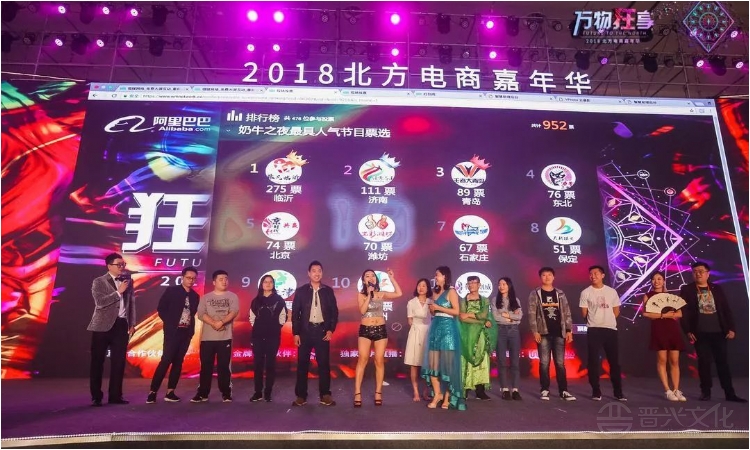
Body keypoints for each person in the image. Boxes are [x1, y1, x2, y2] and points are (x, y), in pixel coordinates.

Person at [679, 262, 746, 402]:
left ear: (708, 274)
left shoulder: (716, 288)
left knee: (723, 363)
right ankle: (705, 392)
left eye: (701, 271)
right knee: (704, 363)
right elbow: (683, 312)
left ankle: (729, 393)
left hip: (719, 332)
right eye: (695, 271)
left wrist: (731, 328)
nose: (698, 273)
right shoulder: (687, 290)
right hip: (700, 332)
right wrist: (687, 330)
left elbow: (726, 309)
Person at [87, 252, 136, 406]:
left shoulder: (128, 281)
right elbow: (100, 302)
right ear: (109, 266)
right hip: (102, 325)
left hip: (121, 325)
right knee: (97, 361)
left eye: (123, 264)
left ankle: (115, 396)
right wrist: (118, 292)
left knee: (119, 362)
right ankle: (96, 396)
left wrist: (132, 323)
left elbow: (131, 303)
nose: (122, 267)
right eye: (118, 264)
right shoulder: (99, 281)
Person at [147, 267, 200, 404]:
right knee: (166, 360)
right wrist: (170, 323)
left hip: (186, 333)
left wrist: (190, 331)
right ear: (182, 277)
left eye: (193, 278)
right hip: (172, 332)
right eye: (188, 277)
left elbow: (192, 314)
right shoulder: (172, 291)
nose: (191, 280)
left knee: (178, 362)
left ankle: (170, 392)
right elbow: (161, 308)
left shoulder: (195, 296)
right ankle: (153, 392)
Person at [291, 260, 339, 407]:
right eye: (314, 271)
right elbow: (295, 314)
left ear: (322, 273)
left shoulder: (328, 291)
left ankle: (325, 395)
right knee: (302, 364)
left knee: (323, 364)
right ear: (309, 273)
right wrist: (296, 333)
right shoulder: (301, 291)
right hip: (305, 331)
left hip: (322, 331)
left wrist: (331, 329)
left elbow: (334, 312)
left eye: (319, 271)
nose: (316, 273)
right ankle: (301, 396)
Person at [353, 268, 403, 407]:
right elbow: (362, 310)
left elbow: (399, 293)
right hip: (365, 329)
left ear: (376, 279)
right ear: (364, 280)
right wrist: (369, 295)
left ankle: (378, 392)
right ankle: (357, 392)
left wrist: (392, 278)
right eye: (367, 276)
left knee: (379, 360)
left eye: (373, 276)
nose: (371, 278)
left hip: (380, 329)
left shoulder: (381, 294)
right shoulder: (361, 294)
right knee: (362, 359)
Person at [528, 267, 576, 401]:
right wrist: (535, 331)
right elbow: (531, 313)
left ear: (553, 277)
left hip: (559, 332)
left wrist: (568, 330)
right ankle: (544, 390)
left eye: (549, 275)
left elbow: (567, 312)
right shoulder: (535, 293)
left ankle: (564, 391)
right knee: (544, 363)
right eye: (544, 275)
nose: (547, 277)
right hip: (543, 332)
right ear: (540, 277)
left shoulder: (560, 293)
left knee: (560, 363)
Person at [191, 270, 239, 403]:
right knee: (206, 366)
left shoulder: (232, 296)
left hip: (225, 338)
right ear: (214, 282)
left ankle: (226, 393)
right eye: (221, 279)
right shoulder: (205, 298)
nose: (224, 281)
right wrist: (214, 323)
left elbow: (234, 312)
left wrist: (221, 322)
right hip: (207, 338)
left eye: (226, 279)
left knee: (224, 367)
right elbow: (201, 314)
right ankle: (203, 393)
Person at [580, 265, 626, 402]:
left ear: (602, 275)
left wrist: (608, 320)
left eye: (596, 273)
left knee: (614, 362)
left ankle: (618, 392)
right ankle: (596, 391)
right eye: (591, 274)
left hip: (610, 329)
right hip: (594, 329)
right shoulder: (586, 292)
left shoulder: (611, 292)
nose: (593, 276)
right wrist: (595, 320)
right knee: (593, 361)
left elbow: (616, 311)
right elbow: (584, 313)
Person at [422, 266, 465, 410]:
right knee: (433, 365)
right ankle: (437, 394)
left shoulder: (451, 291)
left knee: (447, 366)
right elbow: (433, 312)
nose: (435, 277)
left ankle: (447, 397)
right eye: (435, 275)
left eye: (438, 275)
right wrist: (432, 309)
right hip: (436, 328)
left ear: (445, 276)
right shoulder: (434, 292)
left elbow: (456, 311)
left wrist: (439, 308)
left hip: (448, 330)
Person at [641, 271, 686, 402]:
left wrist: (672, 315)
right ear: (651, 281)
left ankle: (676, 389)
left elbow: (680, 313)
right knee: (662, 359)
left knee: (675, 361)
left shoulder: (670, 297)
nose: (656, 281)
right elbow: (646, 313)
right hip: (658, 328)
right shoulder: (648, 296)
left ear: (664, 281)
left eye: (659, 279)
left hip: (672, 329)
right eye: (654, 279)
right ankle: (667, 390)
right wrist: (663, 315)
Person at [248, 274, 288, 402]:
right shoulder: (256, 300)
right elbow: (252, 318)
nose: (268, 284)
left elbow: (283, 317)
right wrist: (259, 328)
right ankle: (258, 392)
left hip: (273, 337)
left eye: (270, 282)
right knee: (258, 364)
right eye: (265, 282)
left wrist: (274, 327)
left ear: (273, 284)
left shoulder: (279, 300)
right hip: (257, 337)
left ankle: (268, 392)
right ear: (261, 284)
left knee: (270, 364)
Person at [458, 275, 497, 401]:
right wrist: (481, 321)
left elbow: (484, 314)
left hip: (481, 334)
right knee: (466, 358)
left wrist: (469, 314)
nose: (471, 285)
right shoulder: (463, 300)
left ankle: (480, 391)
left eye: (474, 282)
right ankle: (465, 389)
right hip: (467, 333)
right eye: (469, 283)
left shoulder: (484, 300)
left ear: (479, 285)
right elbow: (462, 317)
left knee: (482, 358)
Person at [491, 277, 523, 400]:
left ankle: (515, 390)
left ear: (509, 285)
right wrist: (511, 317)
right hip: (500, 331)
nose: (501, 286)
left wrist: (506, 315)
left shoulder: (516, 300)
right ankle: (504, 389)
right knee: (502, 361)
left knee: (515, 362)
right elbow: (495, 317)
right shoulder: (495, 300)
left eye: (504, 284)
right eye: (499, 284)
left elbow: (519, 316)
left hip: (514, 331)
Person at [404, 278, 433, 402]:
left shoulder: (431, 302)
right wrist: (417, 328)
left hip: (428, 332)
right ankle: (416, 391)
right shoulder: (411, 302)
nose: (421, 288)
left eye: (424, 286)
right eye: (419, 285)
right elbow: (410, 320)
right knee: (414, 363)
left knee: (428, 364)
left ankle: (426, 391)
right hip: (415, 333)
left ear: (428, 288)